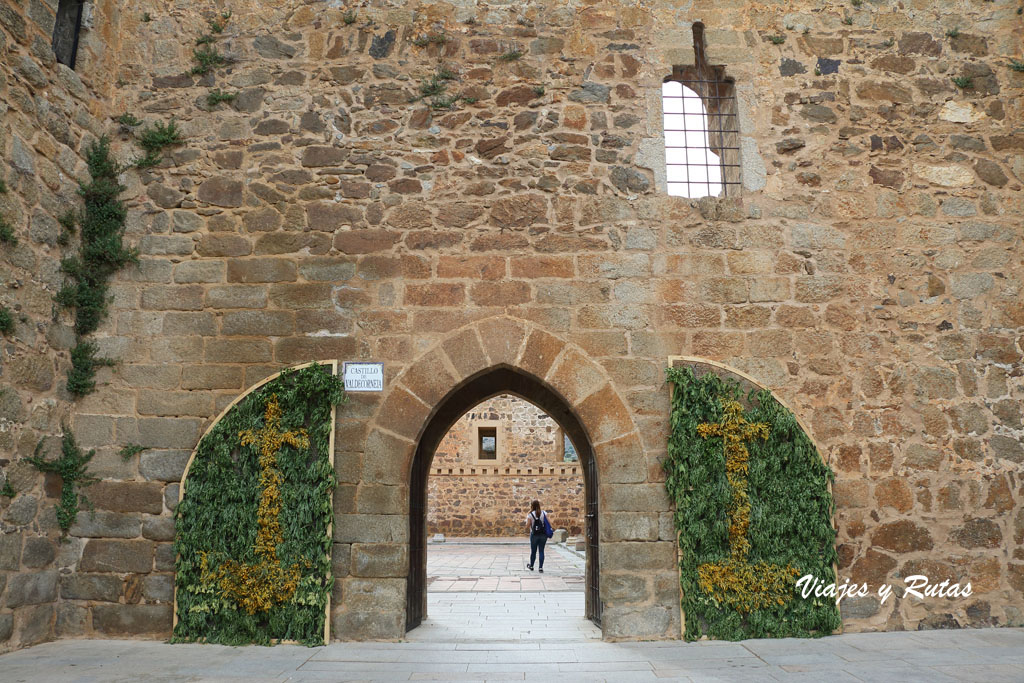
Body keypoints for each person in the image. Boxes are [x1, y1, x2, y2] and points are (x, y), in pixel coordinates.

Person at [526, 499, 551, 573]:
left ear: (532, 506)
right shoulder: (544, 513)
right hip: (543, 534)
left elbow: (527, 526)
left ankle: (532, 565)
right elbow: (549, 523)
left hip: (534, 535)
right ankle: (540, 567)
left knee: (533, 551)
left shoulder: (530, 514)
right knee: (541, 550)